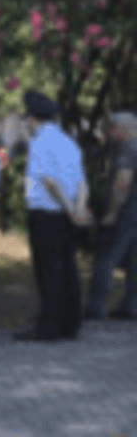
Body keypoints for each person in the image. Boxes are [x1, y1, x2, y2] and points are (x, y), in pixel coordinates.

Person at [16, 90, 87, 342]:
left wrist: (67, 207)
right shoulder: (69, 142)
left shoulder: (39, 144)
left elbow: (49, 182)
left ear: (34, 120)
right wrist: (77, 210)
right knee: (68, 268)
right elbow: (81, 182)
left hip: (47, 213)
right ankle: (71, 323)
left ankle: (48, 326)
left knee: (48, 271)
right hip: (66, 214)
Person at [83, 111, 137, 321]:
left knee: (106, 256)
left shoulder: (128, 148)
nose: (109, 132)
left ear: (124, 129)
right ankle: (131, 305)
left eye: (112, 127)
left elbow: (122, 181)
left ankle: (97, 305)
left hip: (127, 209)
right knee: (134, 258)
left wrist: (112, 212)